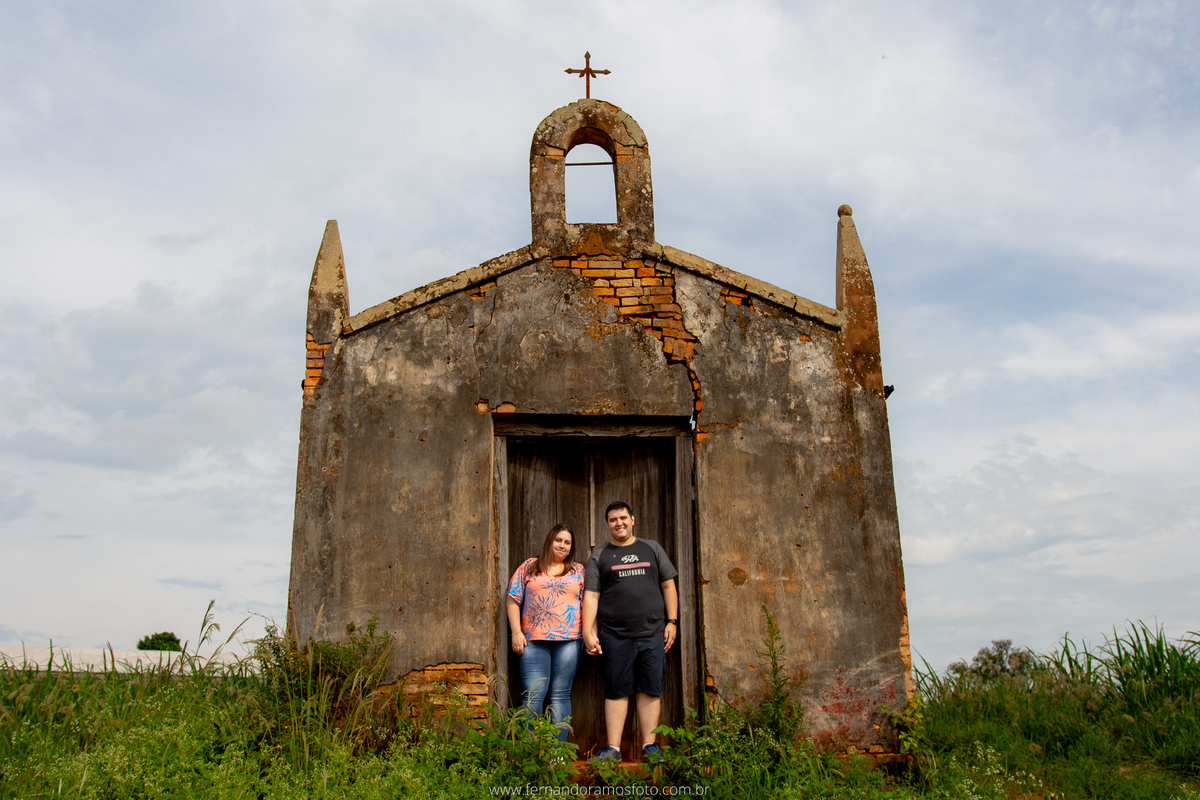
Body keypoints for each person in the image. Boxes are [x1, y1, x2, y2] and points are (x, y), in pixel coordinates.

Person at [582, 501, 678, 762]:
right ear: (607, 524)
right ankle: (613, 750)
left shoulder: (652, 548)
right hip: (614, 635)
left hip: (653, 632)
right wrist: (588, 631)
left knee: (651, 688)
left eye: (623, 518)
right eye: (613, 519)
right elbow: (591, 596)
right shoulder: (600, 556)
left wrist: (672, 621)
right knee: (617, 689)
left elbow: (668, 586)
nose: (619, 523)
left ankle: (650, 747)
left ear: (633, 519)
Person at [506, 523, 585, 741]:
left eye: (567, 542)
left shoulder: (578, 571)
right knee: (533, 695)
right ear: (549, 541)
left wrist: (590, 634)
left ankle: (557, 753)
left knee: (560, 695)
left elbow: (588, 603)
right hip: (533, 640)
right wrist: (516, 632)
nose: (562, 545)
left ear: (571, 547)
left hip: (569, 640)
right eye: (558, 540)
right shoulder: (529, 566)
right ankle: (530, 752)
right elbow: (513, 598)